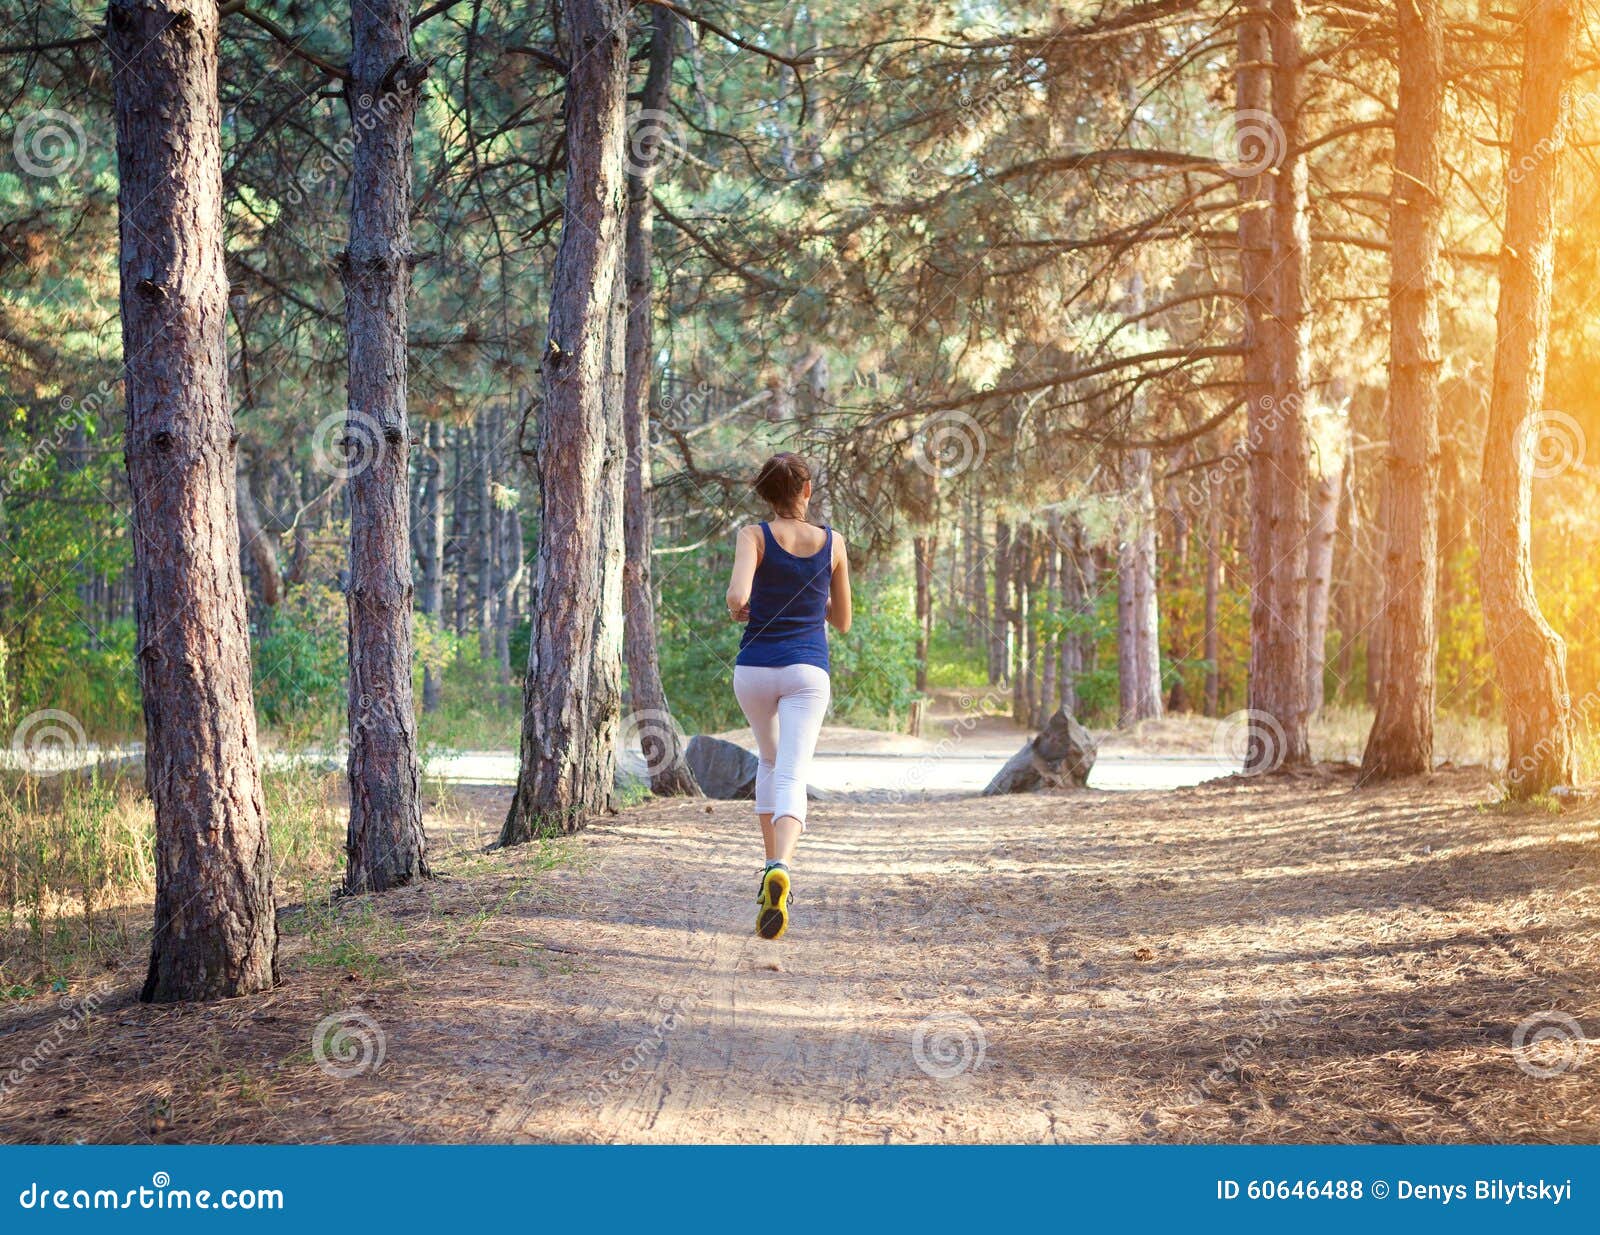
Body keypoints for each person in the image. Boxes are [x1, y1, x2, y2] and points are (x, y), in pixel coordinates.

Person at [725, 452, 852, 940]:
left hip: (754, 669)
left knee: (770, 762)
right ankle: (781, 865)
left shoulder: (753, 536)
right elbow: (841, 621)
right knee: (794, 772)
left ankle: (767, 871)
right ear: (806, 491)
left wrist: (750, 608)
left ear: (765, 494)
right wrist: (811, 600)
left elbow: (737, 598)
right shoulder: (834, 543)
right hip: (806, 672)